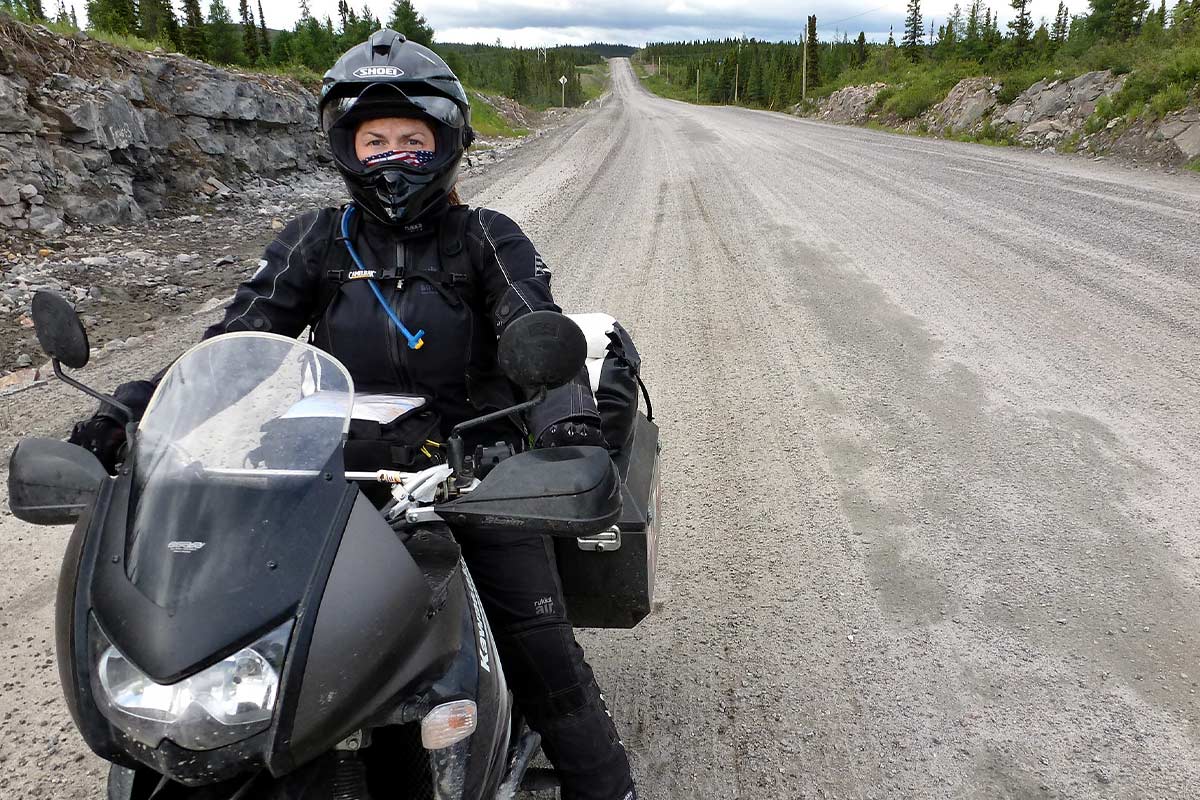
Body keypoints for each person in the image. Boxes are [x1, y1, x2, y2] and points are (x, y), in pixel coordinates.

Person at [68, 28, 636, 800]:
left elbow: (535, 325)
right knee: (229, 617)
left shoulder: (484, 237)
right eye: (377, 140)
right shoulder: (316, 239)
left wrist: (567, 433)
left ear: (446, 145)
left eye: (413, 138)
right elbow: (238, 338)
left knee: (543, 653)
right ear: (348, 147)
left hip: (470, 471)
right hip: (337, 472)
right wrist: (132, 412)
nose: (395, 156)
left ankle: (608, 787)